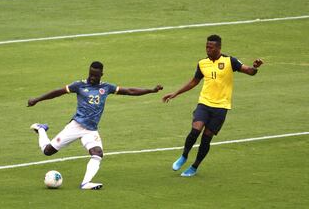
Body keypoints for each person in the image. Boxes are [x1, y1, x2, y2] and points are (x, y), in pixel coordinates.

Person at [28, 61, 163, 190]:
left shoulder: (106, 87)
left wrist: (151, 90)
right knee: (47, 151)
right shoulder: (79, 85)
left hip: (91, 130)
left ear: (101, 75)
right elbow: (57, 92)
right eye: (90, 74)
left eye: (95, 75)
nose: (92, 78)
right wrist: (37, 99)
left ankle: (86, 183)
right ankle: (41, 129)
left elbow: (130, 91)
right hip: (76, 126)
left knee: (97, 153)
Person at [162, 34, 264, 177]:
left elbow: (249, 72)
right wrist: (176, 93)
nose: (208, 49)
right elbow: (194, 81)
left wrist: (254, 67)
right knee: (195, 130)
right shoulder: (202, 63)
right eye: (206, 47)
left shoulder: (230, 61)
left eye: (211, 47)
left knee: (206, 138)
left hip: (221, 106)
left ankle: (194, 166)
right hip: (204, 103)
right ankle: (184, 156)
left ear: (219, 48)